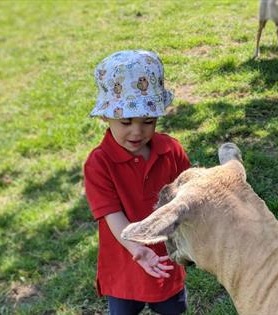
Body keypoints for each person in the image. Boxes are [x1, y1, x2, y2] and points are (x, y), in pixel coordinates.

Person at [84, 50, 190, 315]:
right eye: (126, 121)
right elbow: (111, 215)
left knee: (173, 310)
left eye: (148, 121)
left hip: (165, 257)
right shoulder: (99, 163)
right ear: (105, 116)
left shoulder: (171, 150)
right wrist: (138, 249)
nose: (137, 131)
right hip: (124, 262)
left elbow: (187, 193)